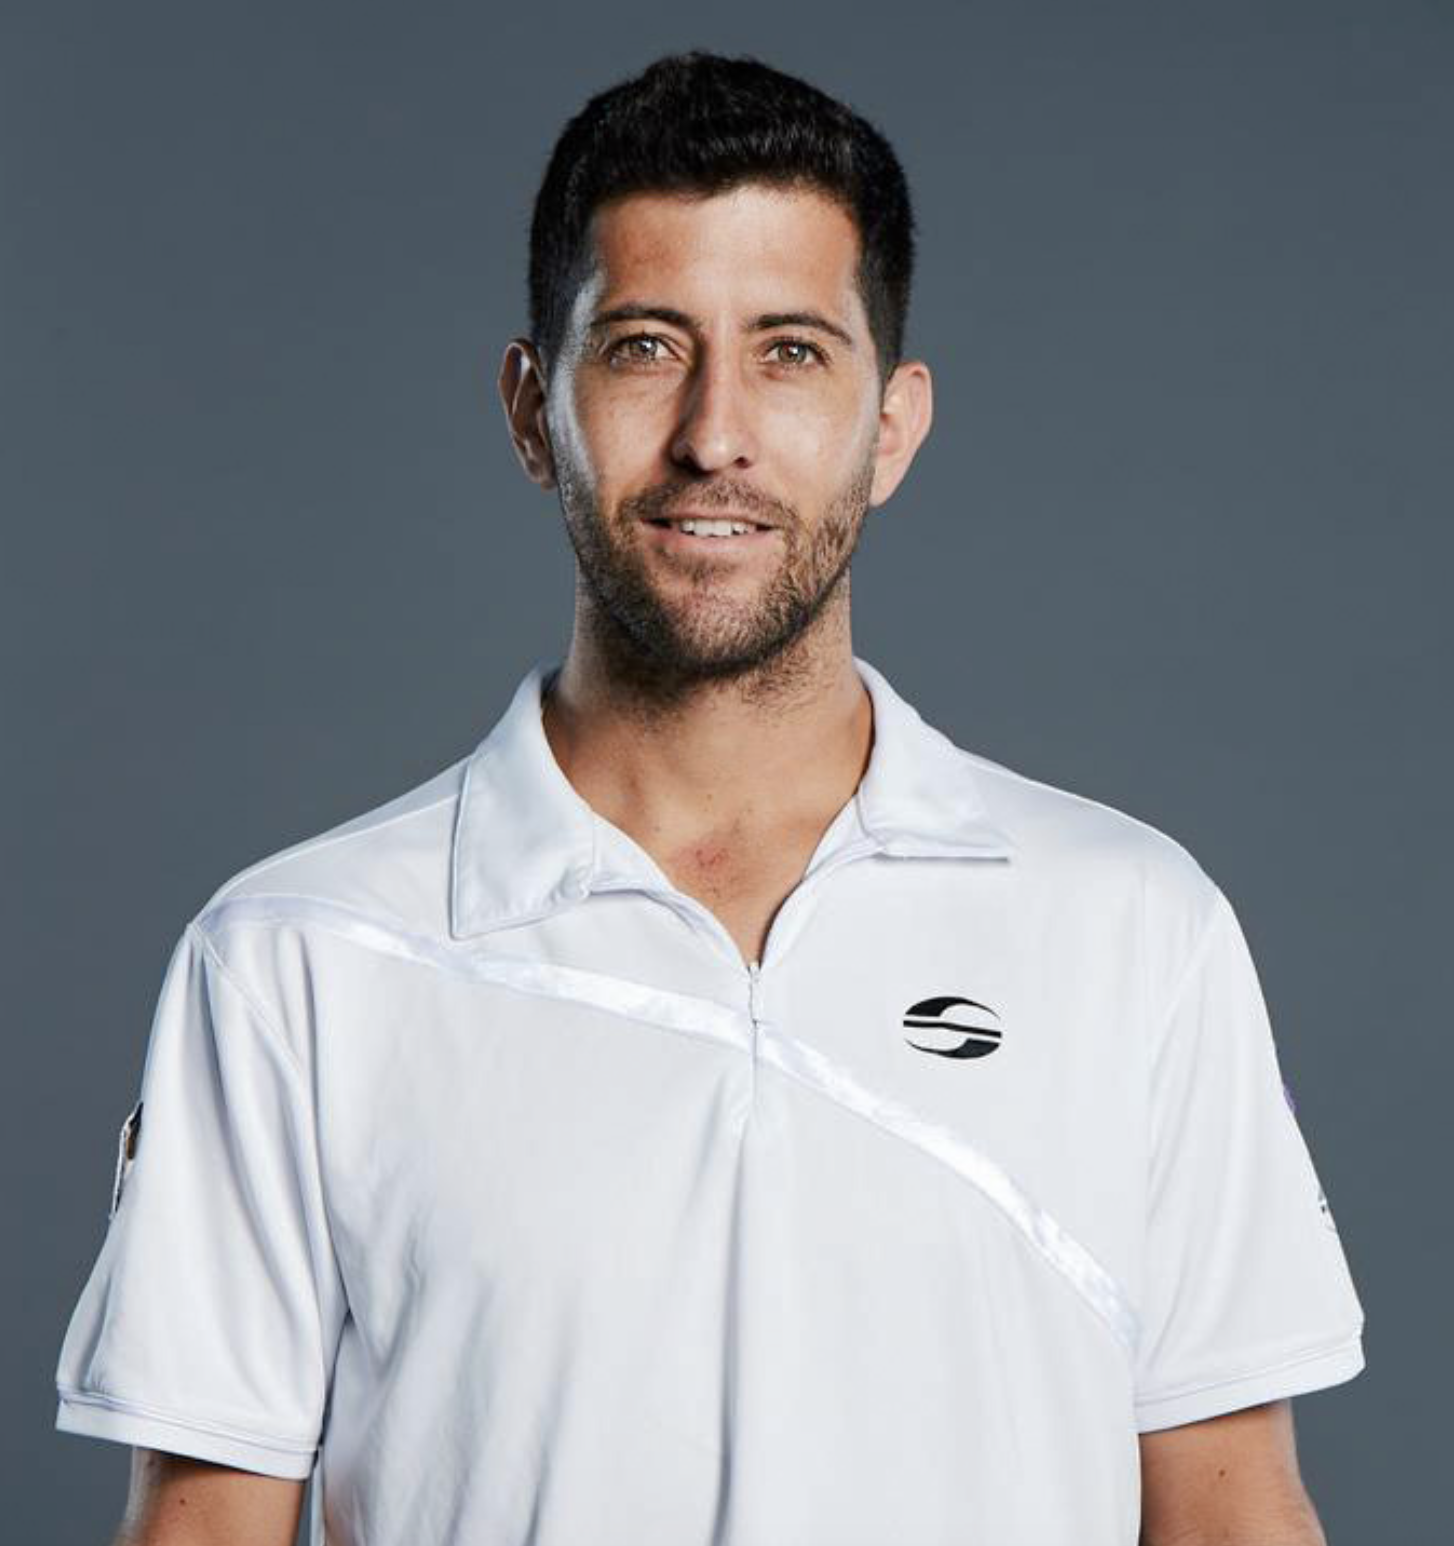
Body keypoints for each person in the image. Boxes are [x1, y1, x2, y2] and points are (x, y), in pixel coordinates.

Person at [54, 49, 1366, 1546]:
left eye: (792, 351)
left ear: (893, 422)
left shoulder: (1133, 925)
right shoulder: (297, 956)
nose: (715, 434)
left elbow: (1230, 1508)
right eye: (642, 348)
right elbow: (206, 1528)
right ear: (529, 407)